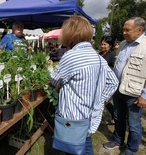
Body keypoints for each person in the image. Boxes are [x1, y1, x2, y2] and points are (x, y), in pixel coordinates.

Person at [50, 15, 119, 155]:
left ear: (70, 34)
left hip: (74, 116)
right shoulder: (98, 58)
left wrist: (51, 71)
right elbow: (114, 82)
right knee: (85, 145)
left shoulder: (71, 56)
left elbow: (55, 80)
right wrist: (100, 99)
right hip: (91, 115)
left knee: (74, 149)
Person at [103, 17, 146, 155]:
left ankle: (132, 149)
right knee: (118, 117)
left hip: (134, 93)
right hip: (118, 89)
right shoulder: (123, 44)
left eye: (127, 30)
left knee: (133, 124)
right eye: (123, 30)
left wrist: (144, 95)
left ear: (140, 30)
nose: (124, 32)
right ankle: (118, 140)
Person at [100, 36, 117, 125]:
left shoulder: (112, 55)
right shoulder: (100, 54)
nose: (102, 46)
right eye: (101, 44)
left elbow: (114, 69)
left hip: (107, 81)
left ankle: (115, 116)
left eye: (105, 44)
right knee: (103, 101)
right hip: (99, 81)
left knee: (104, 101)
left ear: (110, 45)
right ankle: (114, 115)